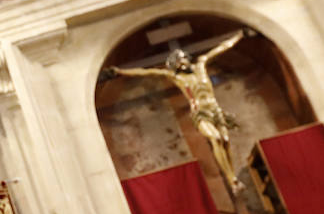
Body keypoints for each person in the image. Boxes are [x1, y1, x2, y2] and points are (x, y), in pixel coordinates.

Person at [106, 29, 252, 194]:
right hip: (200, 113)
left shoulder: (201, 66)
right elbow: (147, 71)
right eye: (178, 62)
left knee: (225, 140)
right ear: (174, 65)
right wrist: (120, 71)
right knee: (215, 138)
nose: (182, 62)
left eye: (184, 59)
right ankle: (232, 180)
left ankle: (233, 178)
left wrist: (239, 36)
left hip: (215, 109)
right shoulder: (178, 78)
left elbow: (221, 48)